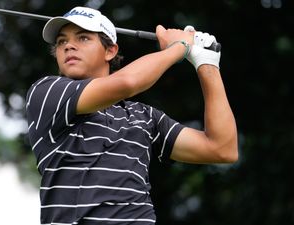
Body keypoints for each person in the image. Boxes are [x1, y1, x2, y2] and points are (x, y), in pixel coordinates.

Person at [25, 6, 238, 225]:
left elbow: (222, 149)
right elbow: (127, 83)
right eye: (61, 41)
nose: (69, 46)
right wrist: (180, 46)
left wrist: (207, 63)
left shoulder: (143, 116)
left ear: (110, 51)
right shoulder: (47, 92)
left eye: (83, 38)